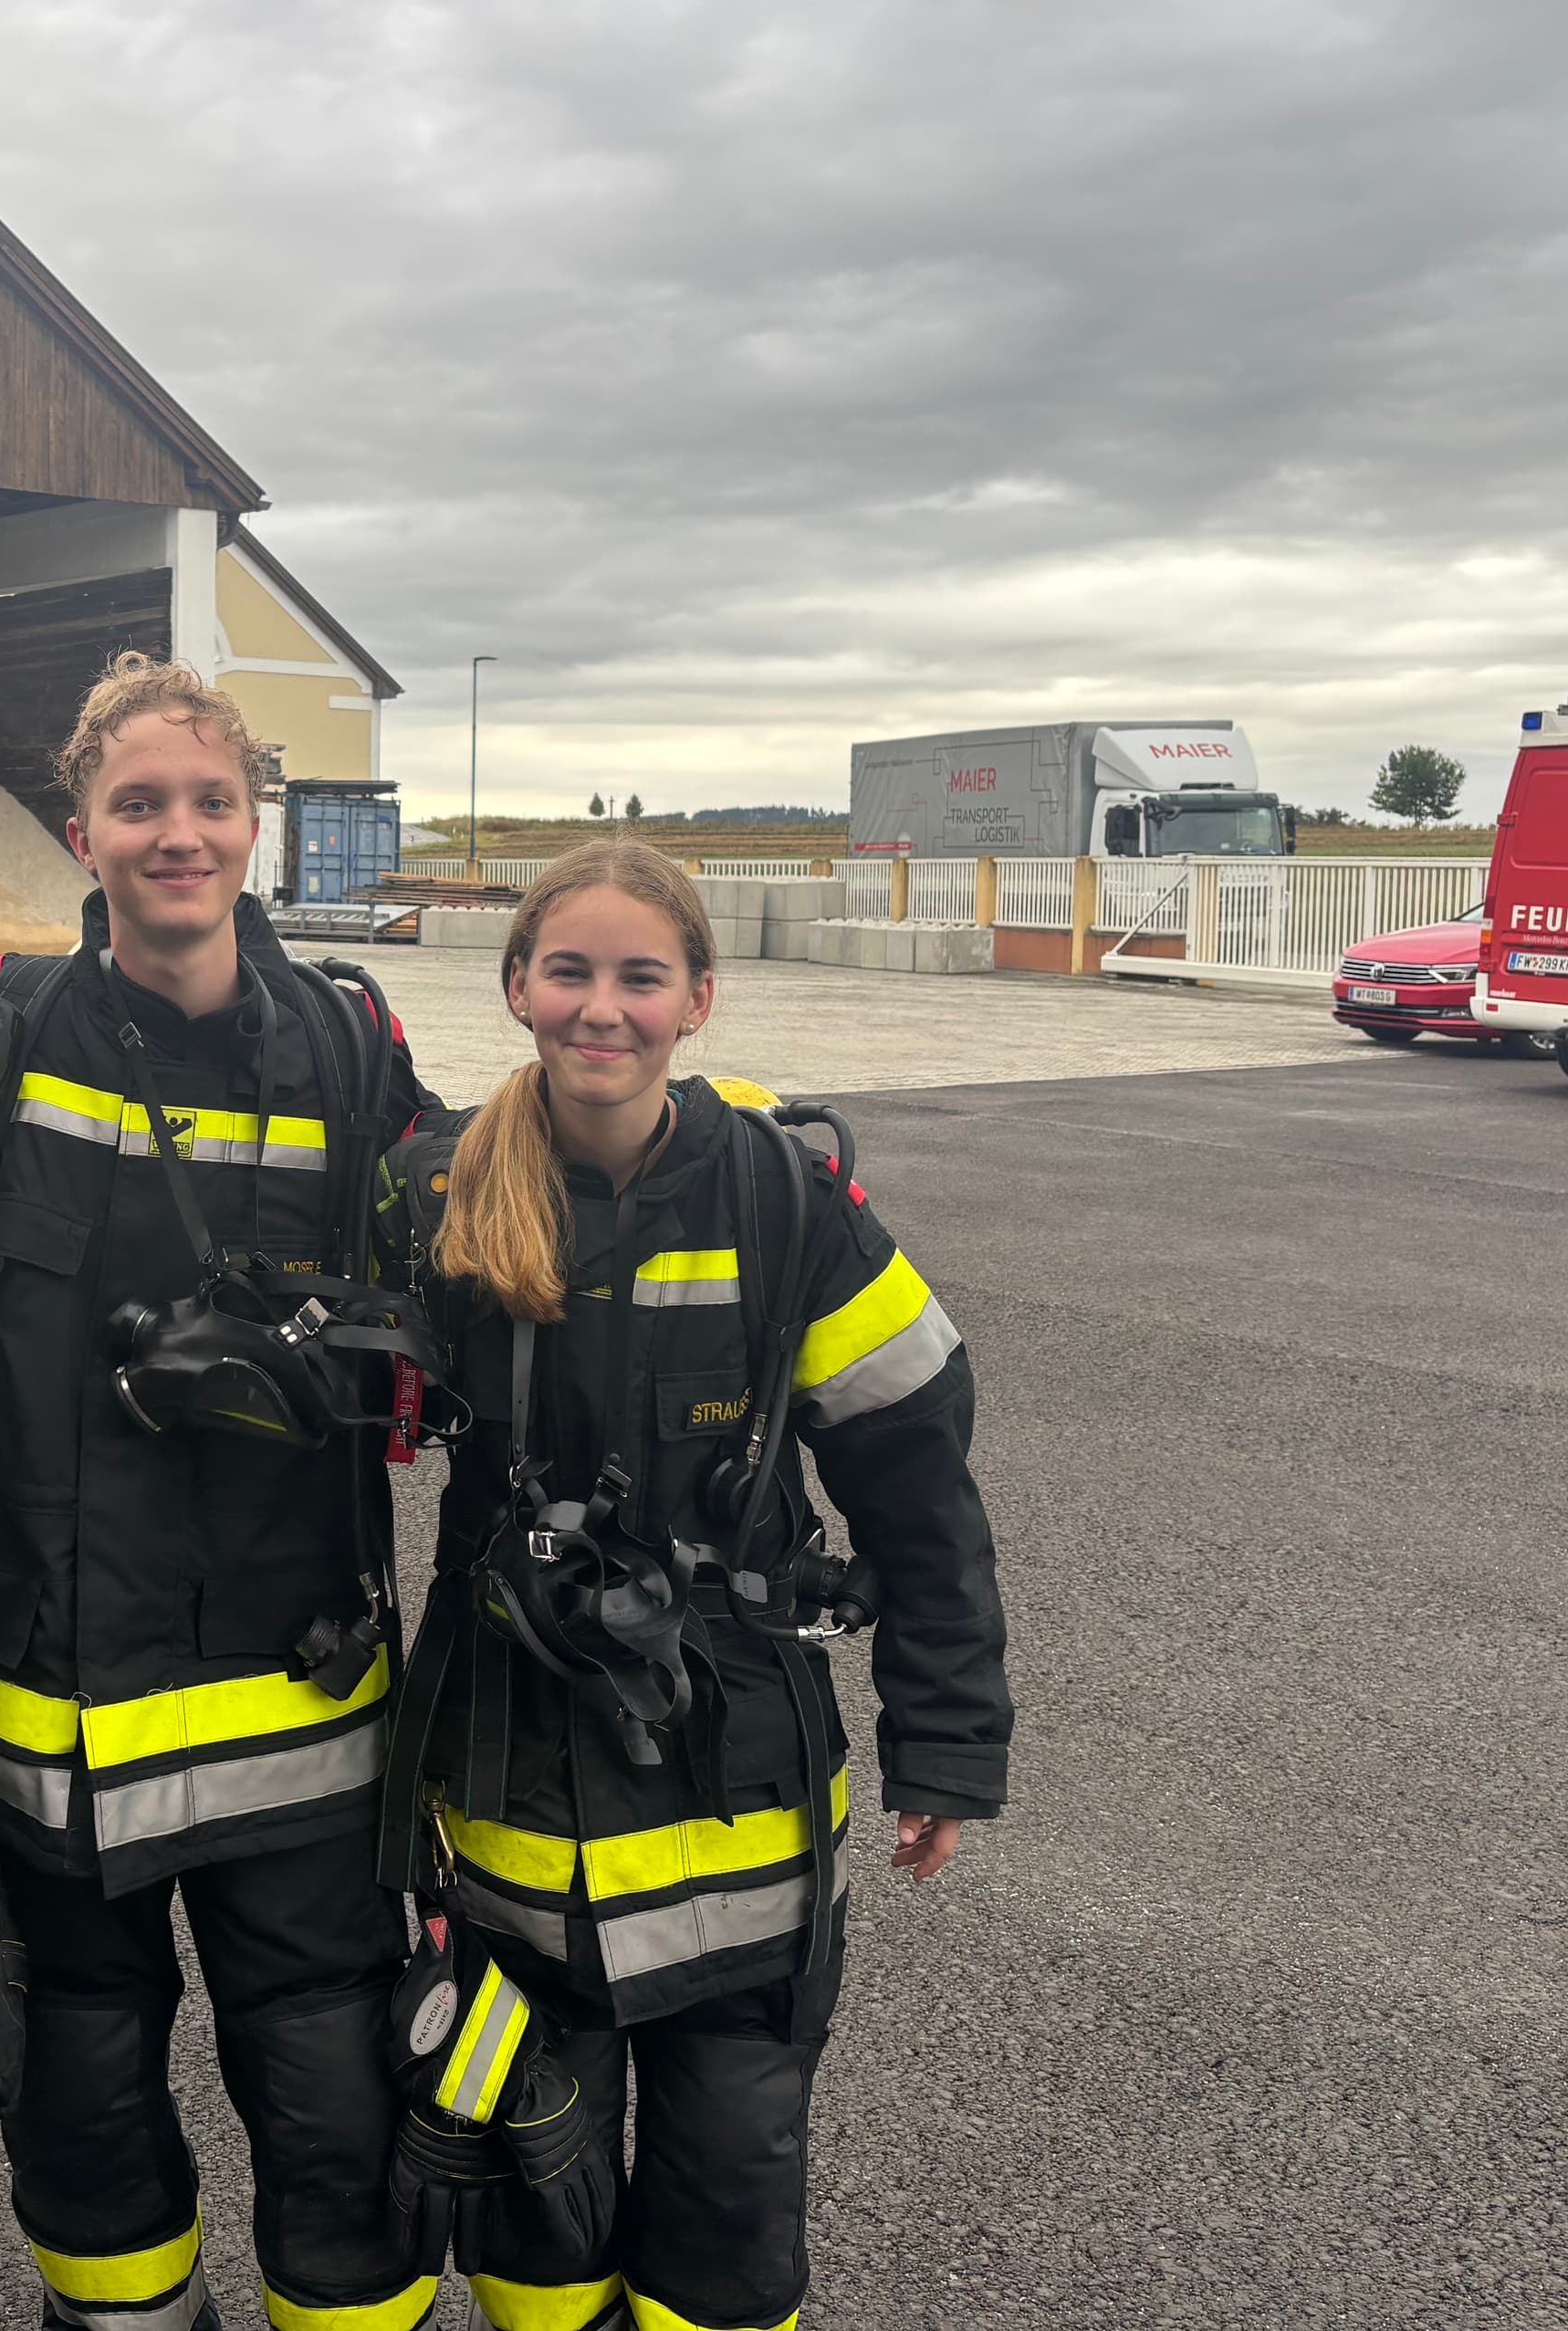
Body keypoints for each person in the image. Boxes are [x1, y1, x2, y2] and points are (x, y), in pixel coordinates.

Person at [0, 652, 442, 2331]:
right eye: (138, 805)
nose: (175, 834)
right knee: (79, 2094)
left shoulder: (351, 1042)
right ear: (80, 829)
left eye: (207, 802)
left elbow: (463, 1250)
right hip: (48, 1710)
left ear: (254, 824)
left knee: (334, 2100)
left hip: (293, 1696)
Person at [375, 837, 1011, 2331]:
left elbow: (920, 1484)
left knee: (733, 2196)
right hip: (513, 1774)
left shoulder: (789, 1208)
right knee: (543, 2185)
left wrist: (948, 1741)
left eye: (640, 978)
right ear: (521, 986)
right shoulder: (434, 1192)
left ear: (699, 1001)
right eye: (572, 972)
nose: (604, 1008)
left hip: (741, 1788)